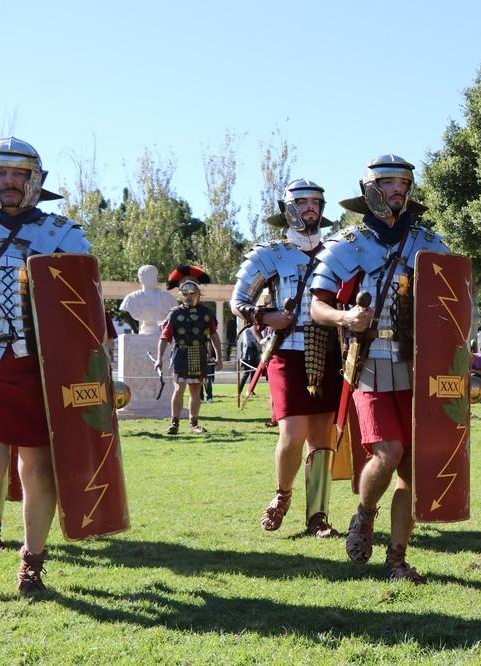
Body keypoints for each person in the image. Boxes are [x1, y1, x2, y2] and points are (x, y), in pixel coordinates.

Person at [310, 155, 448, 582]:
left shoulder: (428, 243)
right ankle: (365, 513)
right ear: (370, 189)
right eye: (388, 182)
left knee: (411, 468)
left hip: (417, 367)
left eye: (404, 182)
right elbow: (316, 305)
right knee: (387, 454)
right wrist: (346, 318)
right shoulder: (347, 244)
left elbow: (455, 301)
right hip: (370, 363)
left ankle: (397, 559)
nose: (398, 189)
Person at [0, 137, 92, 597]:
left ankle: (32, 562)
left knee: (41, 470)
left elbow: (86, 310)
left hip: (43, 369)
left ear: (35, 181)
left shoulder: (63, 234)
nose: (11, 182)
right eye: (2, 174)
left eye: (20, 175)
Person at [231, 178, 343, 537]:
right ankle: (282, 495)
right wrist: (266, 317)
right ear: (287, 209)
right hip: (288, 351)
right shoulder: (269, 253)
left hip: (328, 349)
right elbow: (239, 301)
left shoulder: (338, 252)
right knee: (293, 433)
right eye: (302, 202)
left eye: (315, 202)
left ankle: (318, 516)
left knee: (323, 436)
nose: (310, 208)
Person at [156, 274, 223, 435]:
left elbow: (214, 335)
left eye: (192, 293)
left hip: (199, 353)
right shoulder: (174, 314)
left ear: (198, 294)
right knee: (179, 388)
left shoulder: (206, 313)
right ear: (182, 295)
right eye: (186, 294)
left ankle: (194, 424)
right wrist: (159, 358)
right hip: (181, 353)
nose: (189, 296)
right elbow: (165, 337)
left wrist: (219, 357)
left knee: (195, 389)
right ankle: (174, 423)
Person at [119, 265, 177, 335]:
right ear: (141, 278)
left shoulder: (167, 297)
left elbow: (175, 308)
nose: (155, 279)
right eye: (151, 276)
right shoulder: (131, 298)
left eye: (155, 276)